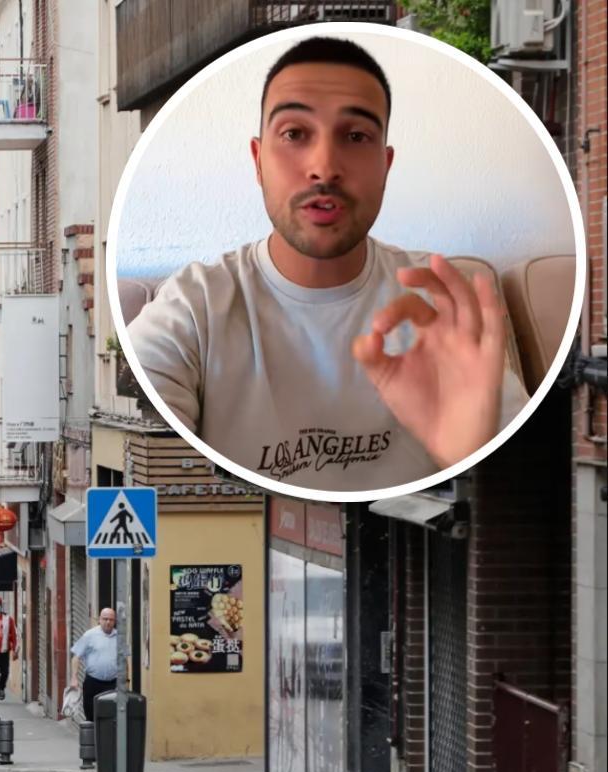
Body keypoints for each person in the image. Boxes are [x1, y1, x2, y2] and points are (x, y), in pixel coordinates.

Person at [125, 36, 527, 492]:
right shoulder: (193, 308)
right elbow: (145, 446)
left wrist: (472, 456)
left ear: (385, 166)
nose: (324, 167)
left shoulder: (438, 307)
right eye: (294, 134)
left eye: (355, 137)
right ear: (258, 161)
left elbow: (528, 494)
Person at [69, 608, 126, 743]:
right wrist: (74, 678)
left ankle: (107, 746)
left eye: (111, 619)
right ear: (99, 619)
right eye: (105, 619)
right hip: (93, 683)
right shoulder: (89, 635)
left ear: (115, 621)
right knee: (91, 716)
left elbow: (125, 660)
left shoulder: (120, 638)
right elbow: (76, 658)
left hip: (112, 684)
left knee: (111, 716)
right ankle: (92, 747)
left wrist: (126, 680)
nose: (108, 622)